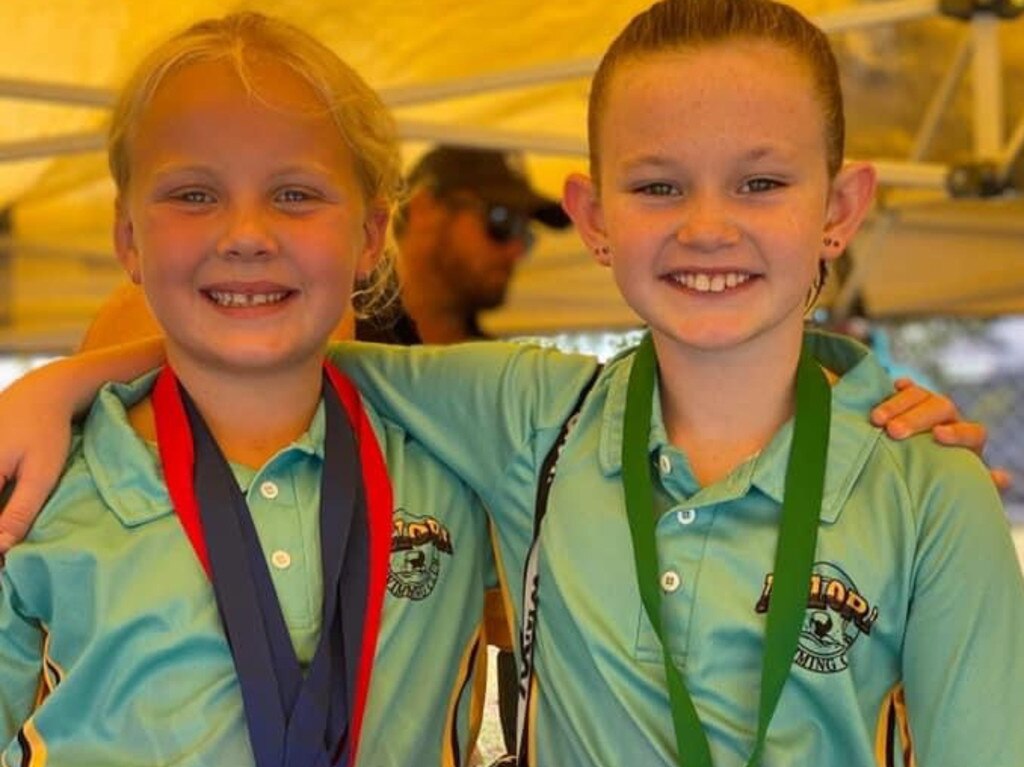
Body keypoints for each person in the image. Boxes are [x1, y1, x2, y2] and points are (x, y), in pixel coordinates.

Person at [0, 1, 1010, 765]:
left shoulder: (926, 484)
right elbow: (265, 334)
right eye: (659, 185)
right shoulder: (538, 418)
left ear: (840, 209)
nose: (707, 224)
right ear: (595, 216)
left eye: (761, 181)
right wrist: (57, 387)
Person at [0, 14, 494, 767]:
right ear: (128, 239)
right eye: (194, 195)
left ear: (370, 236)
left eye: (295, 194)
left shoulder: (463, 467)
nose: (246, 233)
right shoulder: (37, 489)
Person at [392, 145, 571, 344]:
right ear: (425, 210)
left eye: (525, 233)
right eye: (502, 221)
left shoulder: (501, 369)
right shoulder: (354, 345)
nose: (516, 250)